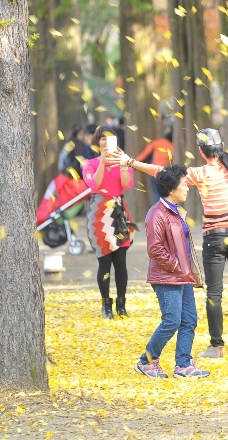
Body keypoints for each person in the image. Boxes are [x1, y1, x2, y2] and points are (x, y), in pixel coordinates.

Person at [123, 112, 228, 357]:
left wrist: (131, 162)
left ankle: (217, 346)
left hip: (214, 239)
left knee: (214, 292)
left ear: (202, 152)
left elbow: (161, 172)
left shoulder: (199, 174)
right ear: (222, 147)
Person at [135, 164, 210, 379]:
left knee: (189, 320)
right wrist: (177, 267)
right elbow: (155, 249)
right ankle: (146, 361)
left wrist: (190, 271)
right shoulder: (156, 213)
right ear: (171, 189)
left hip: (183, 277)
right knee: (172, 321)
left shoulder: (177, 212)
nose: (188, 188)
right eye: (184, 185)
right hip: (167, 277)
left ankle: (183, 365)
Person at [82, 125, 136, 319]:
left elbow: (126, 184)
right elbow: (94, 184)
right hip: (99, 213)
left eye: (110, 138)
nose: (106, 141)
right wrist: (103, 162)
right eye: (102, 138)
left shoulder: (124, 162)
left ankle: (121, 304)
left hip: (119, 212)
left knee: (121, 262)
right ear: (97, 142)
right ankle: (106, 304)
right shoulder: (89, 164)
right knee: (104, 262)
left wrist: (123, 164)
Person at [135, 130, 174, 197]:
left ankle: (158, 206)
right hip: (165, 172)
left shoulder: (157, 142)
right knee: (165, 194)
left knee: (156, 193)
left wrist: (134, 163)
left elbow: (145, 154)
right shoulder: (172, 147)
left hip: (154, 171)